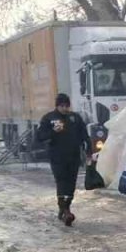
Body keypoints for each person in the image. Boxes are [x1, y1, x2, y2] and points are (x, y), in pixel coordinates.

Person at [36, 93, 90, 225]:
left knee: (71, 184)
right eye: (62, 106)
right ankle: (64, 209)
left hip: (73, 156)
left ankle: (66, 207)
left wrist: (88, 150)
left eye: (67, 106)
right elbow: (39, 137)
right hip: (57, 157)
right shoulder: (49, 118)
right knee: (61, 181)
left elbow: (84, 135)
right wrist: (53, 132)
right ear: (57, 106)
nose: (65, 109)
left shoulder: (75, 118)